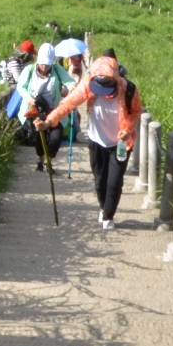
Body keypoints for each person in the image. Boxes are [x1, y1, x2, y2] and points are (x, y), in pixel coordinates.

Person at [44, 54, 141, 230]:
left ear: (116, 79)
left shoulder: (128, 90)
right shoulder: (88, 86)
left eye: (108, 88)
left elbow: (136, 112)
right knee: (99, 181)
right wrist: (49, 122)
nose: (103, 93)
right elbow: (66, 105)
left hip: (120, 144)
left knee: (114, 182)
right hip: (97, 141)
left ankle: (109, 216)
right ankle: (103, 207)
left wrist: (127, 129)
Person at [16, 45, 72, 170]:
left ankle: (48, 161)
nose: (44, 67)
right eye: (42, 64)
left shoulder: (57, 69)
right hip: (34, 110)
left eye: (47, 64)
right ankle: (40, 160)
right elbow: (20, 87)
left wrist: (72, 86)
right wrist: (29, 99)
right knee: (37, 137)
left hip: (53, 110)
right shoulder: (29, 70)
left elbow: (69, 81)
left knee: (56, 137)